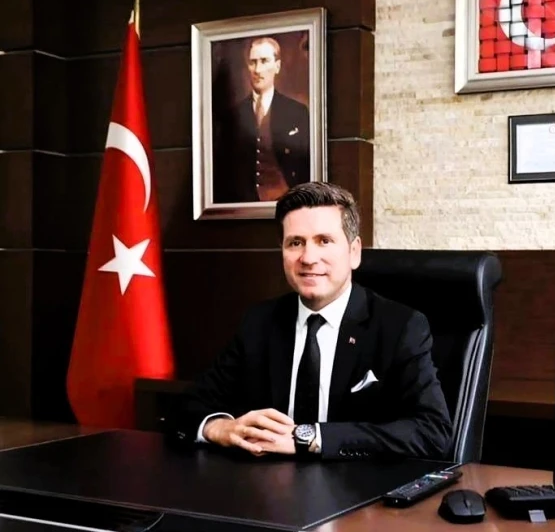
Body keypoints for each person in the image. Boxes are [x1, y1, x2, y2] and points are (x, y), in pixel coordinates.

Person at [171, 182, 452, 460]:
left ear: (354, 252)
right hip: (269, 483)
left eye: (324, 241)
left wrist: (311, 438)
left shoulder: (400, 326)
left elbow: (432, 432)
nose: (308, 258)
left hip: (358, 484)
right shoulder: (260, 322)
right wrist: (218, 427)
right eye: (296, 243)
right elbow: (188, 406)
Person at [212, 36, 310, 204]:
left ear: (277, 66)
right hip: (243, 207)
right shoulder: (231, 117)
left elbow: (305, 168)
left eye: (264, 61)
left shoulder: (297, 112)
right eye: (253, 62)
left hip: (287, 204)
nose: (257, 70)